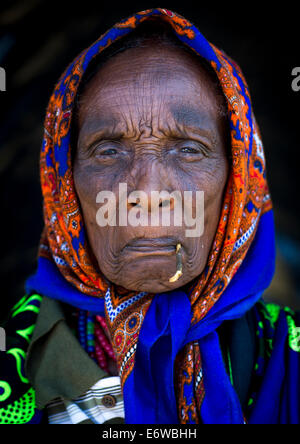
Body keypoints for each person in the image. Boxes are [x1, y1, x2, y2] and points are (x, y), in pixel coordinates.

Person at [0, 8, 299, 425]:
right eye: (108, 150)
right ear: (65, 183)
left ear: (237, 182)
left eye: (189, 149)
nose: (146, 191)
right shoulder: (11, 355)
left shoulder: (289, 356)